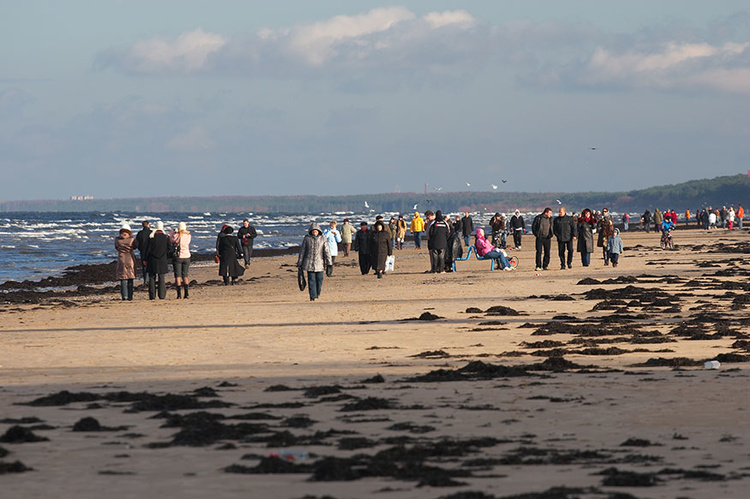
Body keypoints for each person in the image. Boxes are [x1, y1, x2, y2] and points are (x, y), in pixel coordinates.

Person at [296, 222, 333, 301]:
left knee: (319, 280)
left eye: (316, 231)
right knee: (311, 280)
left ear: (318, 231)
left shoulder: (323, 238)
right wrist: (299, 263)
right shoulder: (307, 238)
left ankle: (317, 293)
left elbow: (327, 251)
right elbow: (302, 251)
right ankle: (313, 296)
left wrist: (329, 263)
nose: (314, 232)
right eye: (313, 231)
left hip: (320, 263)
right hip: (309, 263)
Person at [145, 221, 169, 299]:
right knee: (161, 277)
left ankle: (152, 296)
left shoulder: (152, 237)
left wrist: (145, 258)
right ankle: (162, 295)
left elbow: (148, 249)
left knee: (152, 277)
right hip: (162, 259)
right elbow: (169, 248)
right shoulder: (166, 237)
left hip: (152, 259)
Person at [114, 224, 138, 301]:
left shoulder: (117, 240)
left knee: (122, 277)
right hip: (130, 257)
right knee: (130, 276)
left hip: (121, 258)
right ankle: (130, 295)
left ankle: (124, 296)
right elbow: (135, 247)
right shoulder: (132, 239)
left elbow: (116, 247)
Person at [169, 222, 192, 299]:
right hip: (187, 256)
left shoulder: (177, 236)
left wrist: (172, 232)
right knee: (185, 275)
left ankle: (179, 294)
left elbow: (171, 240)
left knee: (178, 275)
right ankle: (186, 293)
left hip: (178, 256)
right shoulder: (188, 236)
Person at [135, 221, 151, 286]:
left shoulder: (140, 233)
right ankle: (150, 280)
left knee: (144, 266)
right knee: (151, 266)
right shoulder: (151, 233)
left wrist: (140, 249)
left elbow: (137, 243)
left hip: (143, 251)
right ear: (148, 225)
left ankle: (146, 280)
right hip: (150, 252)